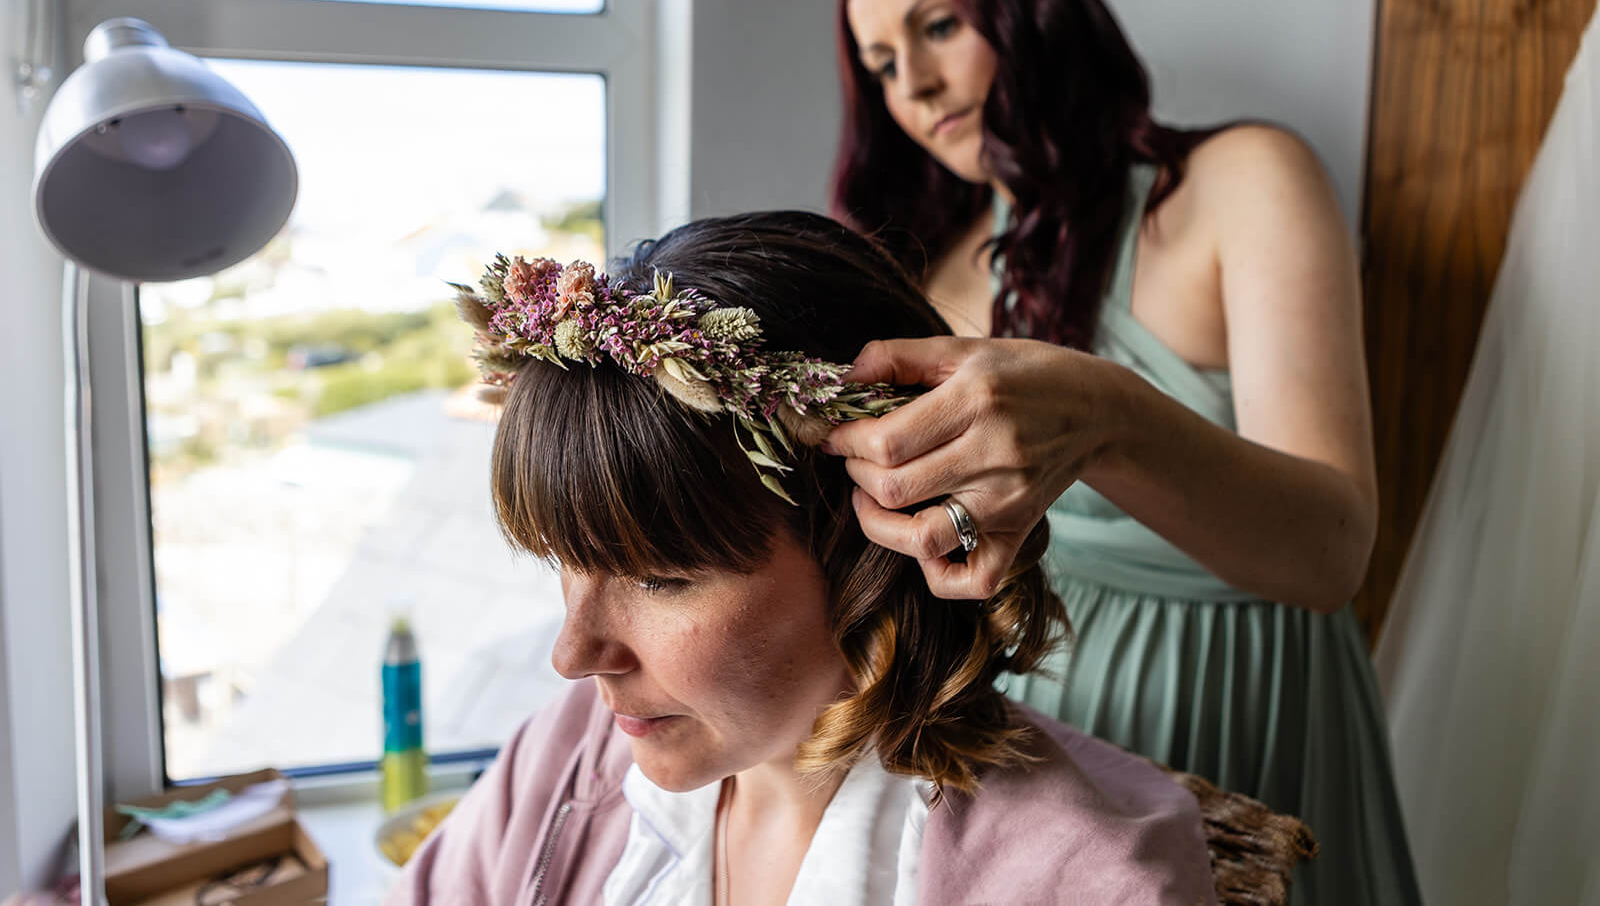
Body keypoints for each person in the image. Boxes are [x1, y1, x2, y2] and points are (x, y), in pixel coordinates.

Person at [825, 0, 1419, 904]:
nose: (914, 84)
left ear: (1030, 5)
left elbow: (1332, 550)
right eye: (881, 65)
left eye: (937, 26)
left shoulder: (1240, 183)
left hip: (1246, 697)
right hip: (1026, 747)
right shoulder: (925, 276)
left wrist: (1109, 414)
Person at [384, 212, 1220, 905]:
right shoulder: (569, 756)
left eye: (659, 577)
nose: (573, 656)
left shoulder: (1088, 882)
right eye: (566, 559)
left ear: (874, 545)